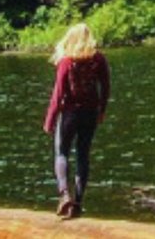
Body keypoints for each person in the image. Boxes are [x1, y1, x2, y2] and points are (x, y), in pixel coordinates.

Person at [43, 23, 111, 218]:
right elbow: (106, 87)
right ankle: (78, 203)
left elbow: (58, 94)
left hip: (70, 114)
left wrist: (50, 119)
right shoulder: (98, 59)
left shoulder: (66, 61)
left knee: (61, 152)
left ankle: (64, 195)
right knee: (83, 155)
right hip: (90, 113)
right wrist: (102, 110)